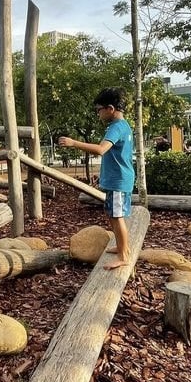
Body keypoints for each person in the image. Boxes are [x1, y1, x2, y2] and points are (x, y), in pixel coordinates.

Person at [59, 87, 135, 270]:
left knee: (117, 217)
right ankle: (121, 246)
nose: (98, 113)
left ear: (110, 108)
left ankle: (124, 255)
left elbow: (101, 149)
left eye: (98, 109)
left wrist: (73, 143)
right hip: (117, 180)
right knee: (112, 215)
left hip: (119, 181)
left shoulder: (116, 127)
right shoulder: (121, 126)